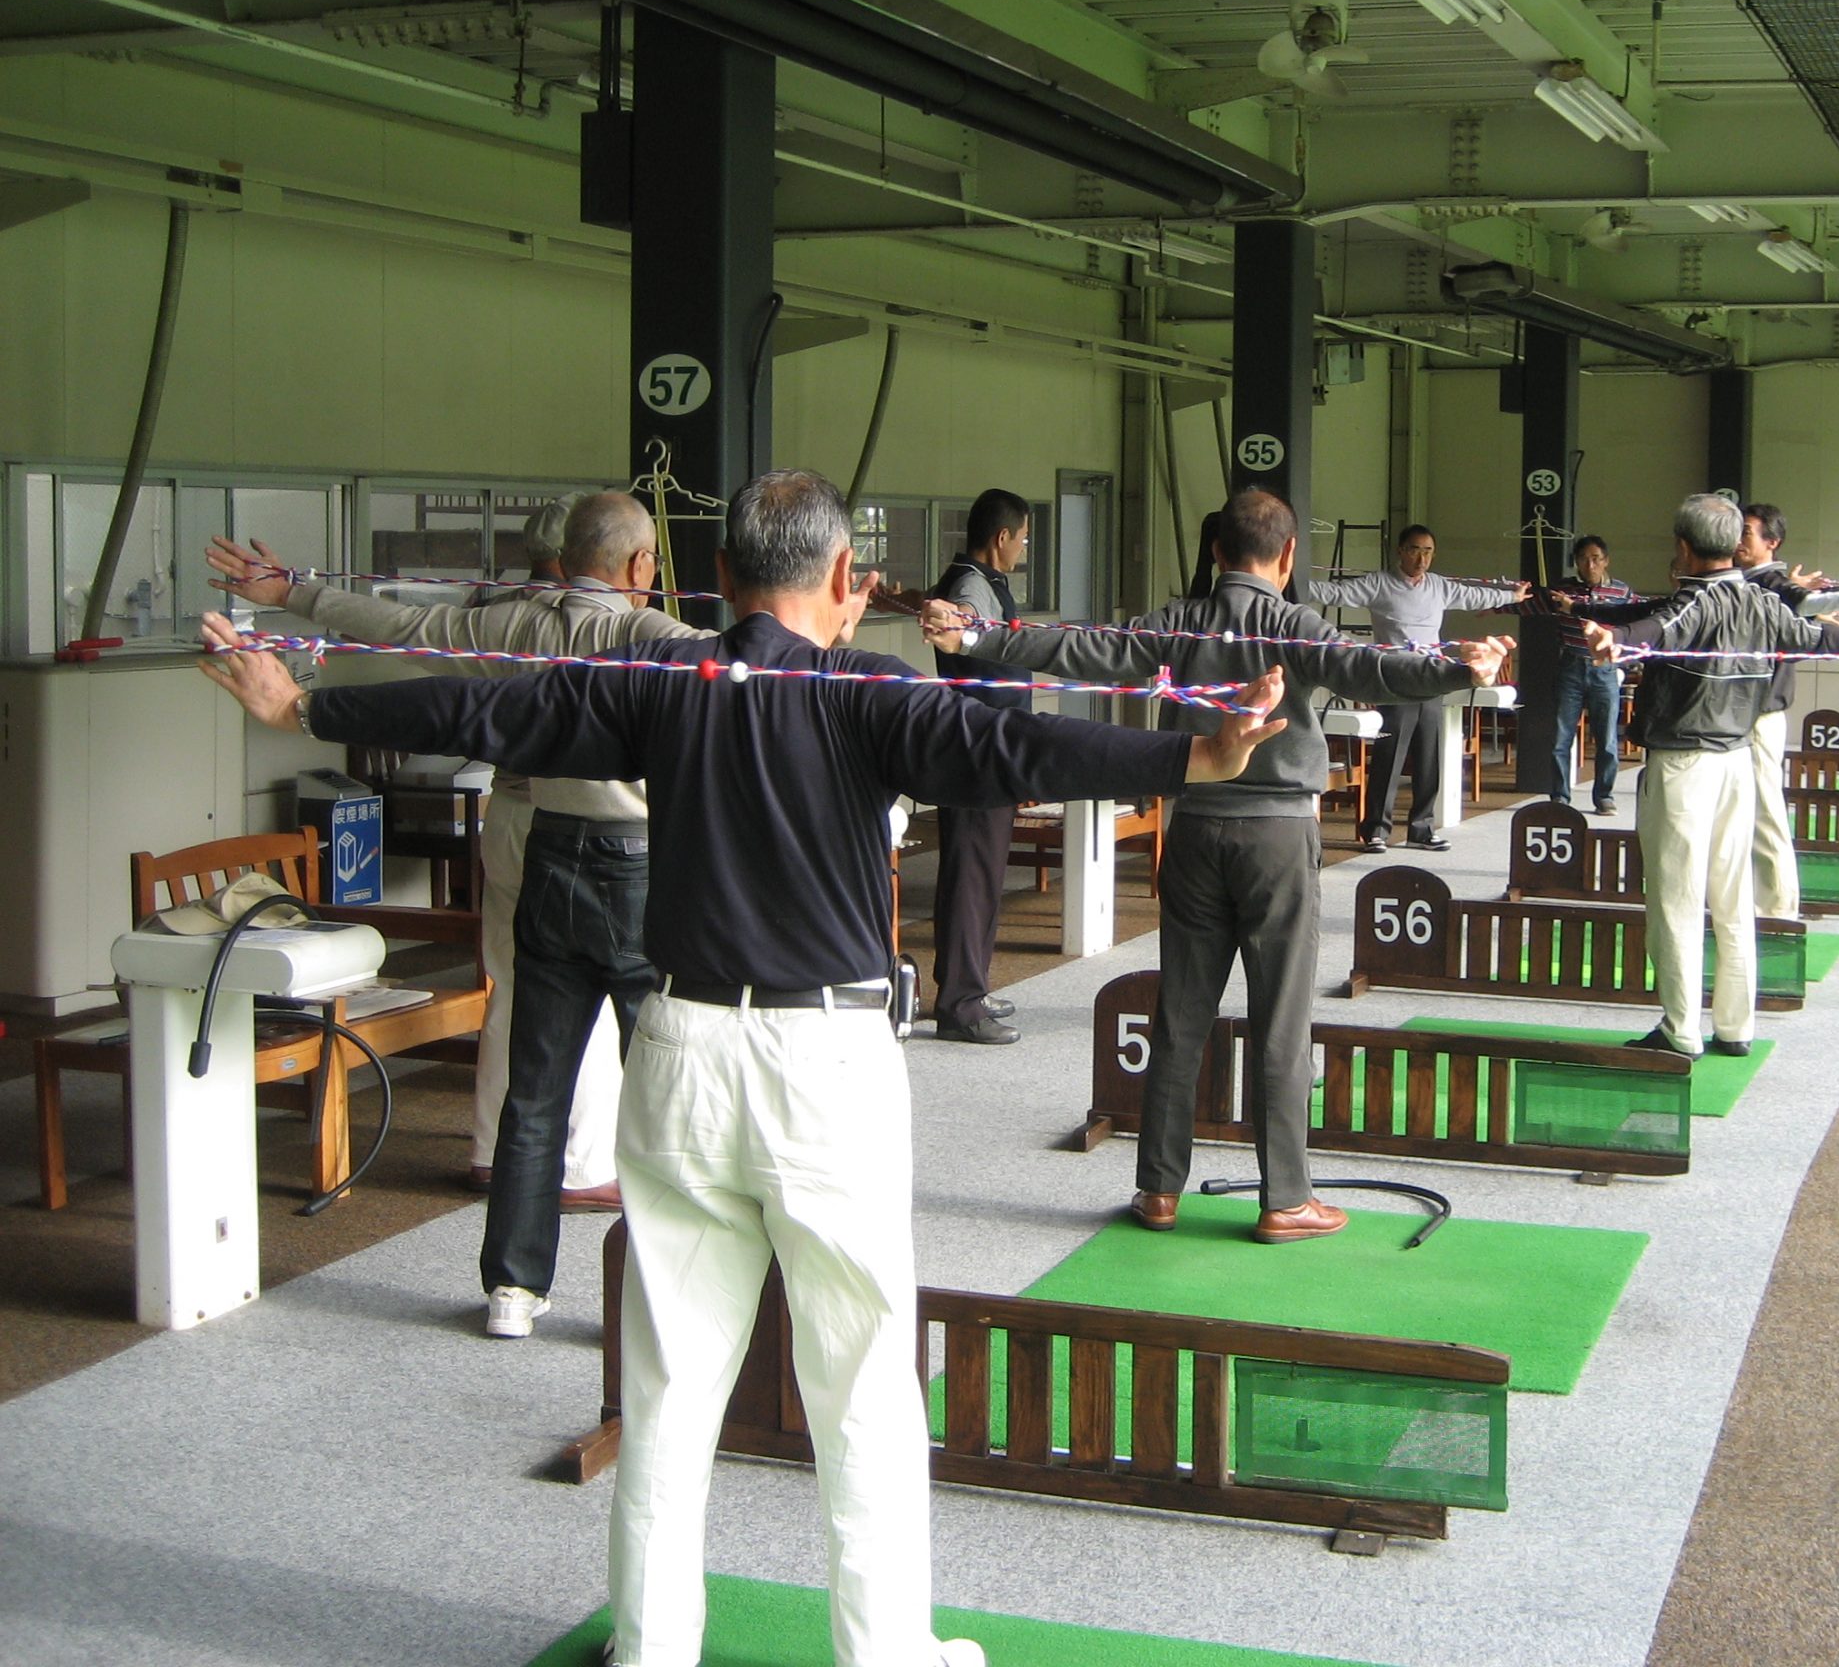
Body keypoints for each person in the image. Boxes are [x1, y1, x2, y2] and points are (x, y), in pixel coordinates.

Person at [199, 469, 1289, 1667]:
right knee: (861, 1382)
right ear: (845, 577)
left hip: (680, 1051)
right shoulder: (865, 692)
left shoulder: (666, 680)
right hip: (825, 1066)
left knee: (669, 1384)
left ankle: (651, 1647)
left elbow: (491, 710)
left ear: (717, 580)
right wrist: (1196, 758)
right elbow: (1014, 745)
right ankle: (885, 1654)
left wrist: (303, 708)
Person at [923, 490, 1509, 1241]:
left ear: (1215, 552)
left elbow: (1079, 646)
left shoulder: (1180, 621)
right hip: (1277, 839)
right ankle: (1285, 1199)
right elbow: (1376, 672)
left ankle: (1158, 1191)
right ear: (1287, 555)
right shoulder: (1296, 625)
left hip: (1194, 830)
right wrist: (1460, 668)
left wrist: (977, 632)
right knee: (1280, 1019)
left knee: (1181, 1013)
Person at [210, 495, 703, 1334]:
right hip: (639, 867)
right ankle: (663, 1302)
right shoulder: (650, 635)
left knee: (534, 1087)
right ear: (639, 568)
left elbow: (403, 625)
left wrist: (290, 592)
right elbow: (760, 676)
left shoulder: (514, 623)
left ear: (565, 558)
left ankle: (513, 1290)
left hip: (546, 850)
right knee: (661, 1087)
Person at [1576, 494, 1839, 1060]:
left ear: (1683, 548)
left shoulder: (1696, 601)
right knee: (1732, 895)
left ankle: (1680, 1029)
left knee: (1676, 899)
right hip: (1737, 762)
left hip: (1685, 766)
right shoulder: (1761, 602)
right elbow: (1817, 637)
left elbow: (1659, 628)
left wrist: (1613, 641)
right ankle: (1735, 1026)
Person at [1733, 502, 1839, 921]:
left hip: (1759, 716)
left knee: (1763, 812)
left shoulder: (1773, 583)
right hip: (1738, 714)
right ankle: (1754, 903)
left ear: (1772, 542)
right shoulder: (1748, 581)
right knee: (1742, 812)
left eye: (1747, 533)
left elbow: (1806, 600)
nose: (1738, 540)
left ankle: (1775, 911)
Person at [1306, 524, 1527, 852]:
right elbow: (1334, 593)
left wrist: (1511, 596)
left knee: (1428, 756)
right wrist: (1288, 582)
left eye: (1428, 552)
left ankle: (1421, 829)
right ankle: (1376, 830)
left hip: (1431, 679)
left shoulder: (1438, 586)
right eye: (1414, 550)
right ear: (1401, 551)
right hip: (1394, 681)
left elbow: (1473, 595)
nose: (1421, 559)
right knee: (1389, 756)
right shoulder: (1379, 584)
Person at [924, 489, 1035, 1045]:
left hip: (995, 746)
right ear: (1001, 537)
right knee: (971, 874)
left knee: (985, 872)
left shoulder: (985, 581)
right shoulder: (970, 587)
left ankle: (970, 986)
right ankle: (960, 1006)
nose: (1023, 548)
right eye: (1023, 538)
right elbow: (970, 640)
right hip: (975, 749)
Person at [1547, 534, 1639, 816]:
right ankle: (1560, 797)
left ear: (1606, 561)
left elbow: (1638, 621)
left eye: (1596, 558)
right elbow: (1533, 604)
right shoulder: (1563, 590)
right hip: (1571, 666)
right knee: (1561, 737)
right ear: (1576, 562)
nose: (1590, 565)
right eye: (1584, 559)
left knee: (1607, 739)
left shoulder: (1622, 592)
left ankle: (1604, 797)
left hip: (1605, 670)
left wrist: (1625, 658)